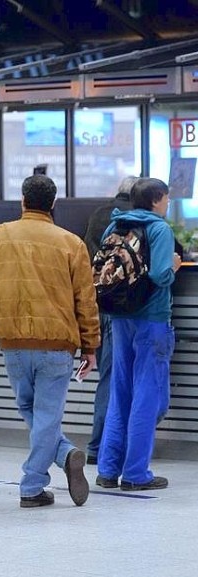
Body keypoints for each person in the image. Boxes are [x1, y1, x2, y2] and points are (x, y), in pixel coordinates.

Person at [0, 174, 99, 508]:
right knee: (45, 414)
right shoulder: (72, 243)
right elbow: (86, 301)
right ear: (53, 204)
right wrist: (91, 346)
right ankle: (57, 461)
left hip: (13, 342)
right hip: (57, 344)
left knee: (30, 409)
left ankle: (35, 480)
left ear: (23, 201)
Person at [96, 178, 181, 491]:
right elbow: (160, 275)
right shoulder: (159, 229)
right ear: (158, 199)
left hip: (119, 318)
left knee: (121, 393)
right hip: (151, 320)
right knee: (147, 394)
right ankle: (135, 473)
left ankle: (107, 469)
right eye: (167, 198)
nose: (168, 203)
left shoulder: (115, 227)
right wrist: (173, 265)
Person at [82, 176, 137, 465]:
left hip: (94, 306)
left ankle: (100, 445)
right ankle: (99, 446)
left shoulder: (98, 215)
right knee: (114, 379)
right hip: (119, 310)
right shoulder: (138, 220)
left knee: (108, 378)